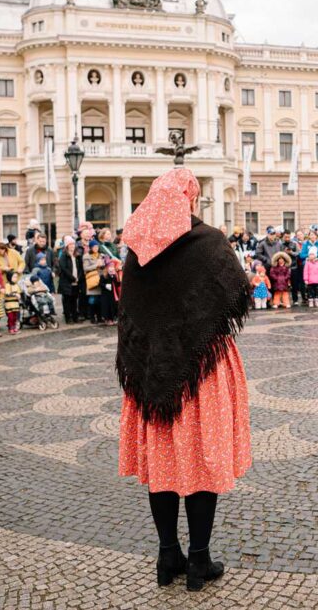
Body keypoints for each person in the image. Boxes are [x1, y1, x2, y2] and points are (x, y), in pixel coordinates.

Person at [116, 168, 251, 591]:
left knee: (163, 466)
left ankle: (167, 555)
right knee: (202, 463)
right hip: (201, 373)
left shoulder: (136, 251)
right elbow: (236, 291)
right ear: (189, 199)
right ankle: (198, 560)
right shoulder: (208, 242)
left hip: (153, 370)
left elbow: (130, 316)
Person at [98, 259, 121, 326]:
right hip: (106, 295)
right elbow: (100, 284)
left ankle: (112, 318)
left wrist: (118, 280)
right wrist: (105, 285)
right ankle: (107, 319)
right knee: (107, 307)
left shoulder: (114, 275)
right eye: (110, 267)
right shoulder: (104, 275)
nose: (111, 268)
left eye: (112, 267)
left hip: (113, 294)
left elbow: (117, 284)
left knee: (112, 306)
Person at [3, 270, 22, 334]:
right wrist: (15, 294)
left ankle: (14, 327)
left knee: (15, 317)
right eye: (14, 277)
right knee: (10, 317)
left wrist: (19, 295)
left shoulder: (16, 285)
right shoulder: (7, 285)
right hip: (9, 304)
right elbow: (7, 293)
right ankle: (10, 328)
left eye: (16, 277)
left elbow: (19, 292)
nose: (15, 278)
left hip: (15, 304)